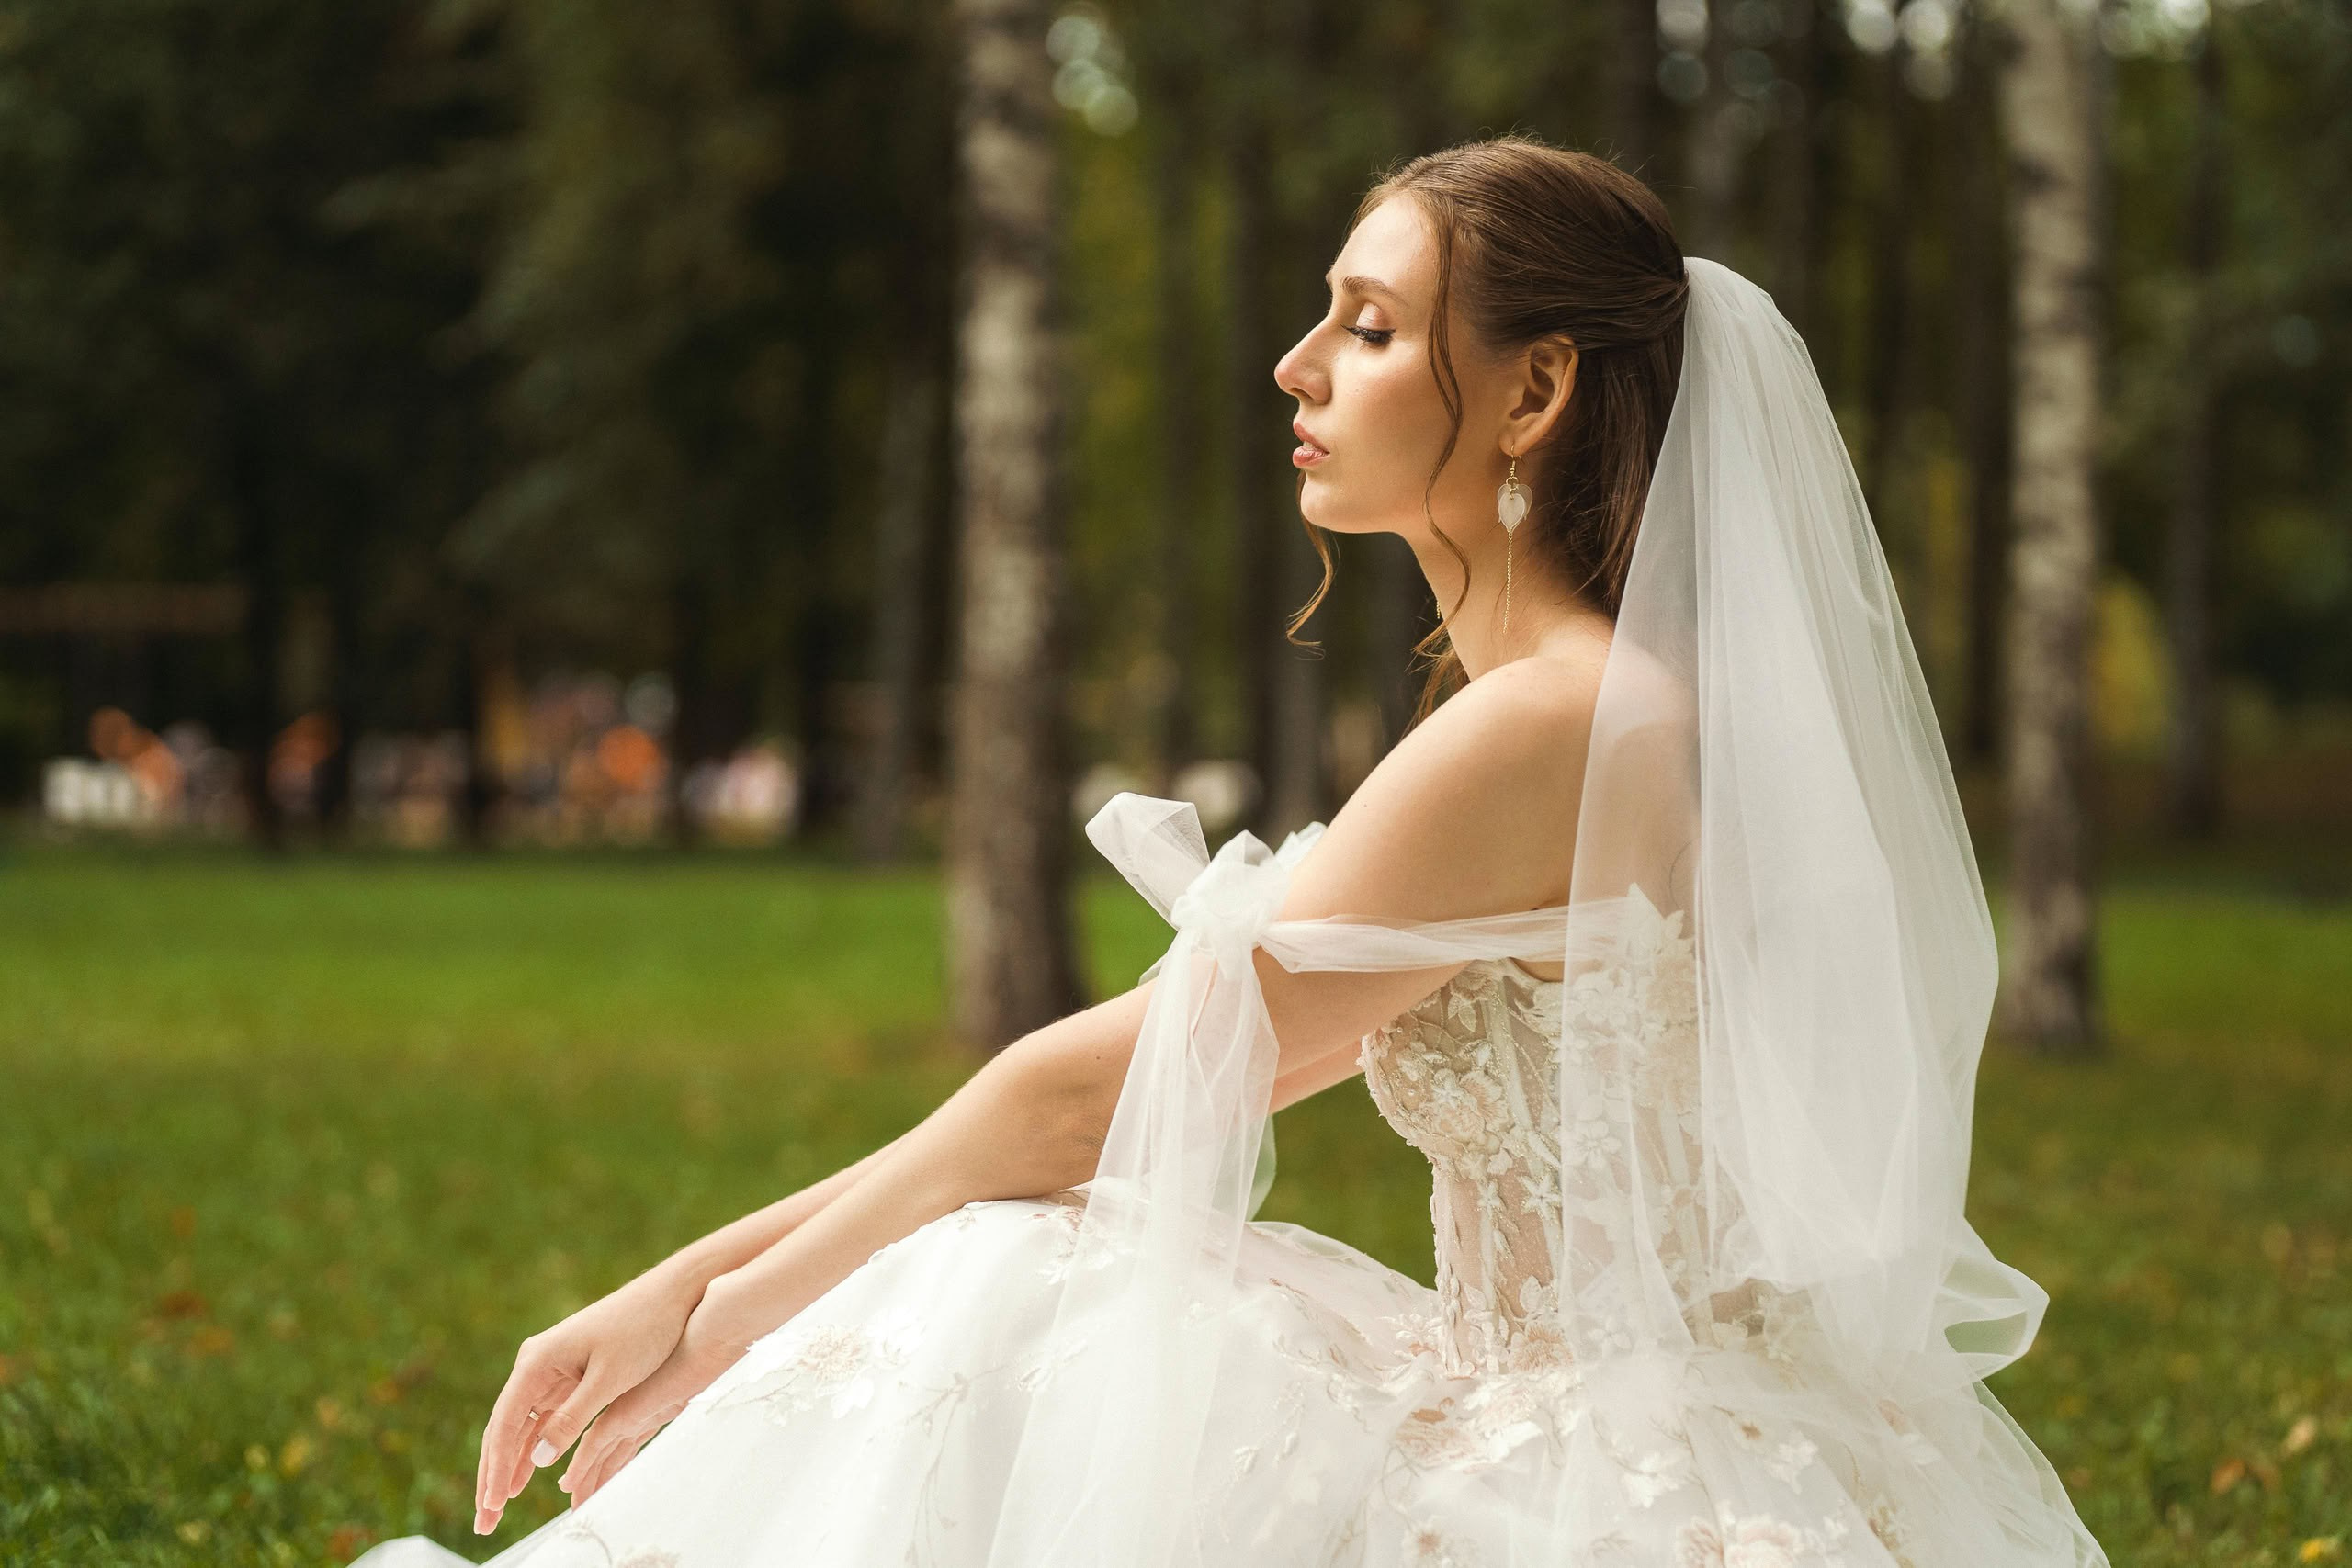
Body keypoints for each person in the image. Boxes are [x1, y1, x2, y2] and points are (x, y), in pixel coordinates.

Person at [351, 135, 2113, 1567]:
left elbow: (1068, 1104)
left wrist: (706, 1311)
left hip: (1604, 1482)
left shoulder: (1553, 722)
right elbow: (1105, 1104)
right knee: (1048, 1254)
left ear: (1534, 391)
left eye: (1365, 324)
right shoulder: (1590, 707)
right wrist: (712, 1284)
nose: (1294, 364)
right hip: (1631, 1411)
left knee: (1024, 1268)